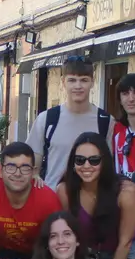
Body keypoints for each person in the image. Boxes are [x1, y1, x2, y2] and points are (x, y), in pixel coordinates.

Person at [26, 56, 115, 189]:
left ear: (92, 82)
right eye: (72, 80)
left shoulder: (106, 121)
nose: (78, 86)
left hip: (91, 203)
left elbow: (109, 165)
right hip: (53, 200)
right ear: (63, 82)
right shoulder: (47, 119)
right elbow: (33, 164)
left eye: (84, 80)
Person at [0, 142, 61, 259]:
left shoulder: (48, 201)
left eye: (25, 168)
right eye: (11, 167)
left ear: (33, 171)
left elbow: (58, 241)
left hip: (38, 255)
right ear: (0, 170)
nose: (17, 173)